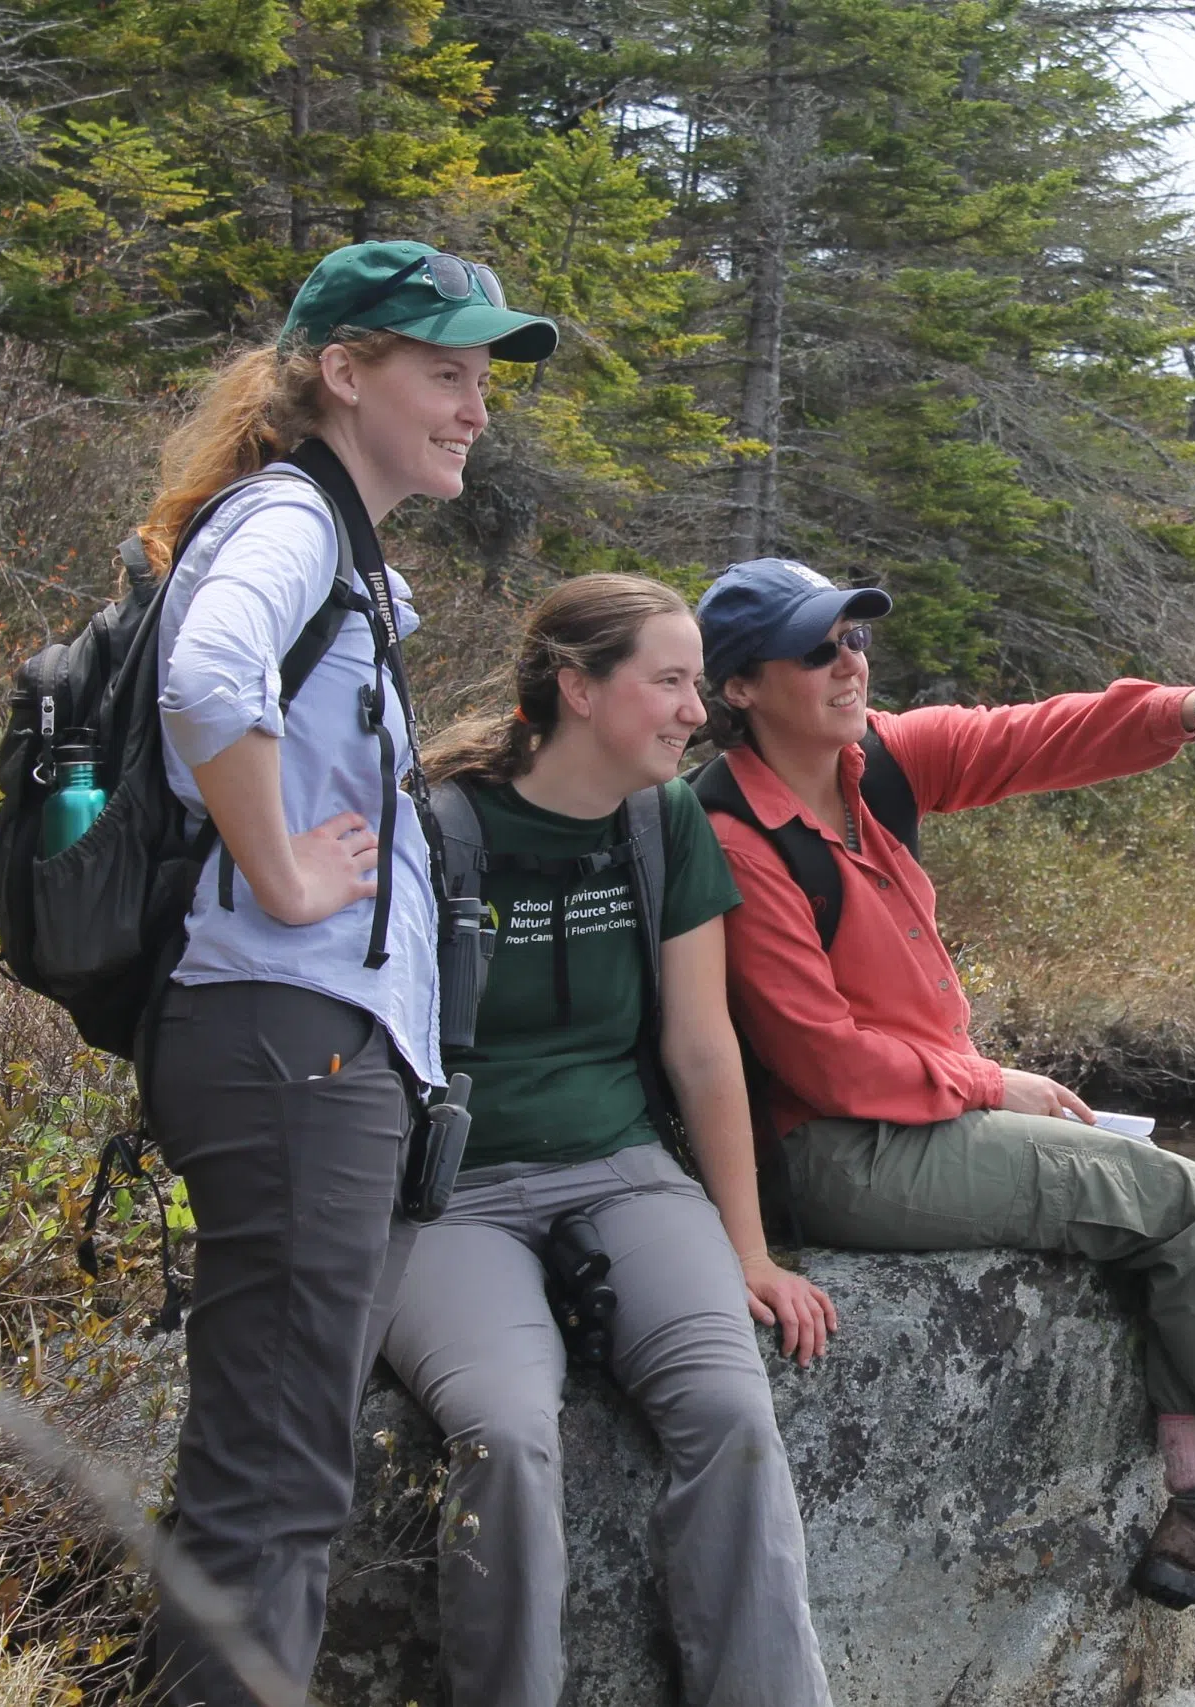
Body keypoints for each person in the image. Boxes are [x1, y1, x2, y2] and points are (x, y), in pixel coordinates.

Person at [693, 556, 1195, 1648]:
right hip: (843, 1154)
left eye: (855, 640)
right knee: (1190, 1207)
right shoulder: (730, 835)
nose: (849, 663)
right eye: (816, 650)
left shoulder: (877, 763)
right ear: (740, 689)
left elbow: (1032, 734)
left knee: (1141, 1227)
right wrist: (994, 1081)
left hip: (925, 1122)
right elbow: (824, 1065)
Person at [140, 240, 558, 1704]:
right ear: (345, 370)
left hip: (309, 1049)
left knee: (274, 1466)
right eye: (446, 373)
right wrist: (283, 866)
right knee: (275, 1480)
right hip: (287, 1039)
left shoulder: (333, 541)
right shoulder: (288, 523)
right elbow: (205, 677)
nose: (476, 409)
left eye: (482, 380)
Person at [383, 575, 838, 1707]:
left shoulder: (662, 817)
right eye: (670, 683)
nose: (698, 712)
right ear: (577, 689)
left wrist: (747, 1251)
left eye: (698, 684)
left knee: (731, 1412)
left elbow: (700, 1051)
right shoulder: (435, 825)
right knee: (504, 1431)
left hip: (625, 1170)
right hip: (453, 1193)